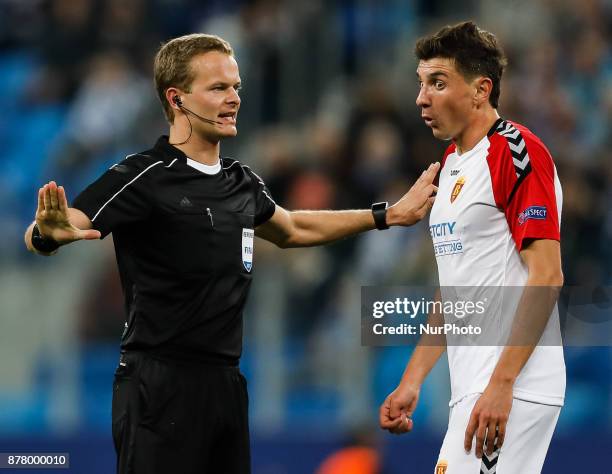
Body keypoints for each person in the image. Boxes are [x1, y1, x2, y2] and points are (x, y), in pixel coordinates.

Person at [23, 34, 438, 474]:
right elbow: (56, 227)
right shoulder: (143, 176)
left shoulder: (242, 181)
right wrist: (47, 233)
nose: (234, 98)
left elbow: (293, 226)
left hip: (225, 385)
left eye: (236, 87)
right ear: (177, 98)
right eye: (218, 88)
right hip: (158, 383)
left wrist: (387, 215)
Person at [378, 22, 565, 474]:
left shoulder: (516, 151)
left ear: (482, 90)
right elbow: (457, 290)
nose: (422, 97)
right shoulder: (451, 165)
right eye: (420, 83)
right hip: (475, 386)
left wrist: (502, 385)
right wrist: (413, 380)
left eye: (438, 83)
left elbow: (547, 275)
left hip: (510, 385)